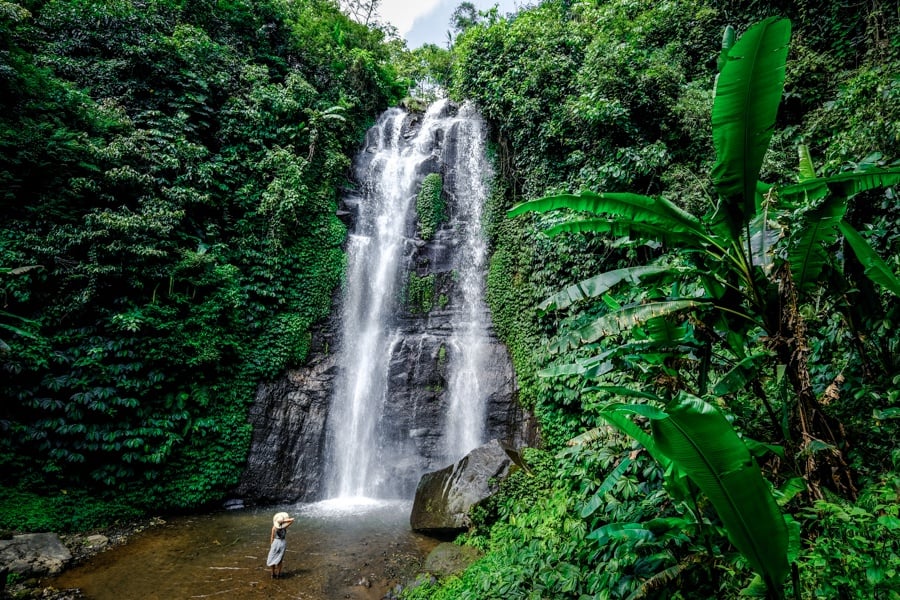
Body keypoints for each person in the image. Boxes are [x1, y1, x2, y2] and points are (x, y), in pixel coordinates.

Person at [266, 511, 295, 579]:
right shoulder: (284, 527)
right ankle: (278, 574)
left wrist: (271, 545)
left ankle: (272, 574)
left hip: (275, 543)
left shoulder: (274, 527)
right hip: (282, 543)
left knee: (271, 557)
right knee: (280, 559)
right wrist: (284, 520)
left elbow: (272, 537)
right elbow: (292, 520)